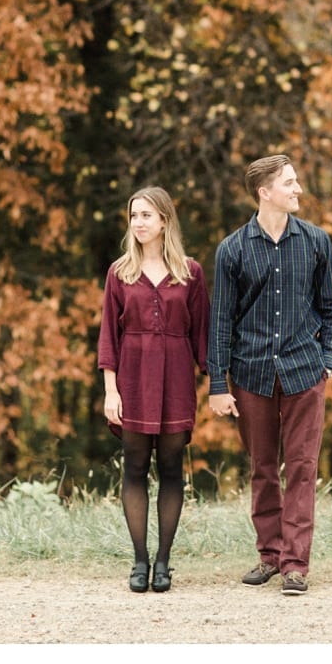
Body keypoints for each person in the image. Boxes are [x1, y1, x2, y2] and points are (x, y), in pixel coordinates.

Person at [208, 154, 332, 596]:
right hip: (251, 375)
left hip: (306, 372)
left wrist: (327, 359)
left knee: (302, 468)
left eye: (296, 181)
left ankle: (295, 565)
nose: (298, 189)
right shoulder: (232, 249)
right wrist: (217, 383)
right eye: (289, 183)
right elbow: (221, 322)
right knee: (263, 468)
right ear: (265, 192)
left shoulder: (317, 242)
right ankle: (269, 556)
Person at [97, 186, 210, 593]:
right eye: (134, 216)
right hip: (132, 378)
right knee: (134, 468)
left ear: (164, 220)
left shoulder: (190, 272)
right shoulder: (119, 273)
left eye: (146, 215)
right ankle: (140, 561)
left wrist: (219, 383)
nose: (139, 223)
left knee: (172, 470)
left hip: (177, 379)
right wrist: (111, 390)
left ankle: (164, 562)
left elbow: (203, 335)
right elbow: (109, 335)